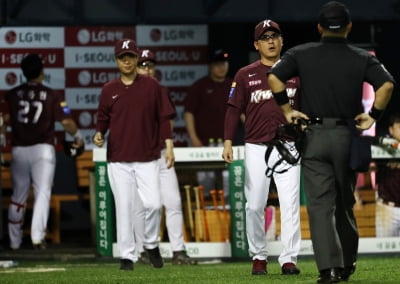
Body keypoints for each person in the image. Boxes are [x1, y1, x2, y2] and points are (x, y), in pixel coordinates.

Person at [267, 2, 395, 283]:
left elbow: (274, 77)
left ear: (319, 27)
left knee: (320, 206)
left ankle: (330, 269)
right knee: (344, 203)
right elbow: (387, 85)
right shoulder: (361, 57)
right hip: (346, 135)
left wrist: (287, 111)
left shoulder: (301, 53)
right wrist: (373, 115)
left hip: (314, 135)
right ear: (349, 27)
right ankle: (347, 264)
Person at [222, 19, 301, 276]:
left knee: (290, 204)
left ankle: (289, 259)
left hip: (288, 145)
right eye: (264, 37)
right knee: (254, 204)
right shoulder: (246, 74)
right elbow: (233, 110)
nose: (270, 41)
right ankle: (258, 256)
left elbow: (306, 107)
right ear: (256, 44)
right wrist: (227, 141)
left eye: (274, 36)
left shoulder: (296, 72)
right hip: (256, 146)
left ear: (281, 41)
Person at [93, 38, 176, 271]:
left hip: (148, 156)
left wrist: (168, 145)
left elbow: (164, 117)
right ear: (116, 60)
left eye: (130, 56)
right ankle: (127, 256)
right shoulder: (109, 89)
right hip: (118, 158)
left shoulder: (152, 86)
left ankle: (150, 243)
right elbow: (102, 117)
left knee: (153, 204)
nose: (127, 61)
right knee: (124, 207)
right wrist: (99, 133)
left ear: (137, 58)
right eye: (122, 57)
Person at [2, 53, 84, 250]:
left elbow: (2, 122)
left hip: (20, 149)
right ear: (42, 71)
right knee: (43, 193)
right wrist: (79, 137)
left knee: (18, 195)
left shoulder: (12, 95)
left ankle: (14, 242)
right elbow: (66, 121)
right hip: (43, 150)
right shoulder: (53, 94)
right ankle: (37, 238)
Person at [134, 49, 196, 265]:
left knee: (173, 202)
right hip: (139, 157)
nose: (147, 69)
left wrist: (168, 145)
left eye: (150, 65)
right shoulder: (126, 91)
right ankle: (143, 249)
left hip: (160, 153)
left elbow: (167, 122)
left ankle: (178, 250)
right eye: (142, 65)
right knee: (145, 206)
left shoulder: (160, 90)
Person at [184, 49, 233, 195]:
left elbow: (242, 112)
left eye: (224, 64)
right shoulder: (199, 86)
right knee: (206, 182)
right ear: (210, 67)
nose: (221, 67)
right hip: (204, 142)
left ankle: (229, 212)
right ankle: (208, 210)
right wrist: (193, 138)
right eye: (217, 64)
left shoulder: (233, 85)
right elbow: (188, 113)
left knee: (228, 179)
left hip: (228, 142)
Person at [375, 112, 400, 237]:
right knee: (384, 254)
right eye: (399, 126)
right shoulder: (383, 147)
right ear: (391, 129)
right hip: (388, 209)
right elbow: (368, 142)